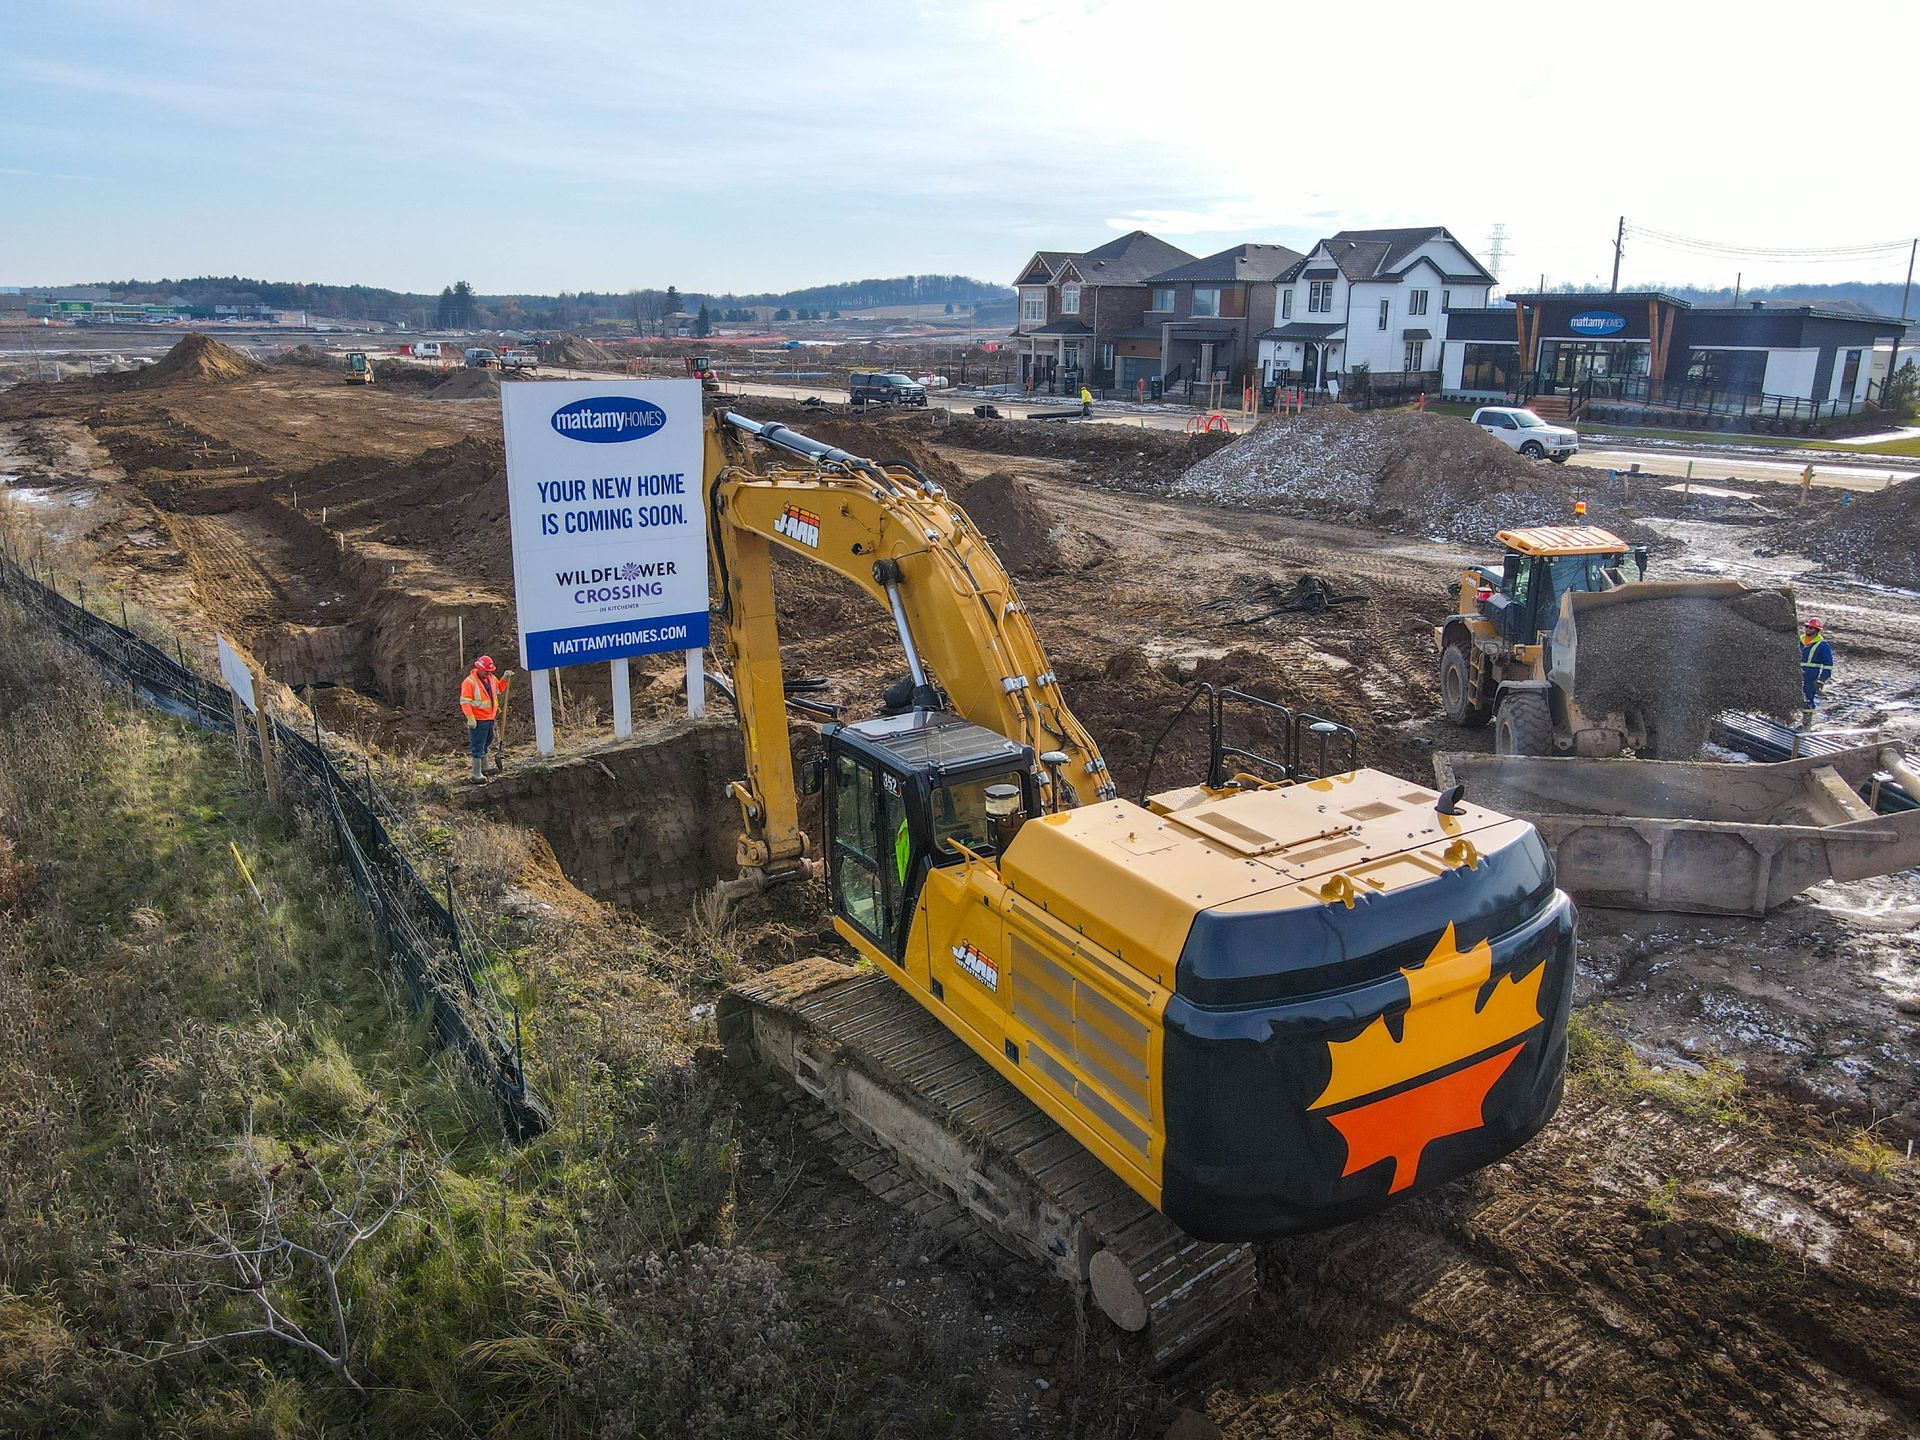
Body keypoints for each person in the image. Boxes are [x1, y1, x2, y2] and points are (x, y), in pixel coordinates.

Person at [459, 655, 511, 781]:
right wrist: (470, 718)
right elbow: (465, 702)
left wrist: (504, 678)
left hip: (489, 717)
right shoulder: (469, 682)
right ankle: (476, 774)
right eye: (486, 671)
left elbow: (498, 689)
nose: (488, 673)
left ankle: (485, 767)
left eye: (490, 671)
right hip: (478, 719)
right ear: (479, 668)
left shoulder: (491, 679)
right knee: (478, 746)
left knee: (487, 742)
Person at [1799, 618, 1834, 724]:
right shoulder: (1798, 640)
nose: (1808, 629)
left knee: (1808, 698)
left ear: (1817, 630)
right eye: (1807, 627)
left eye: (1811, 628)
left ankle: (1806, 724)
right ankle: (1781, 721)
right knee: (1789, 694)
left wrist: (1822, 679)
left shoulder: (1823, 645)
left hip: (1811, 675)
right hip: (1795, 672)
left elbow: (1828, 664)